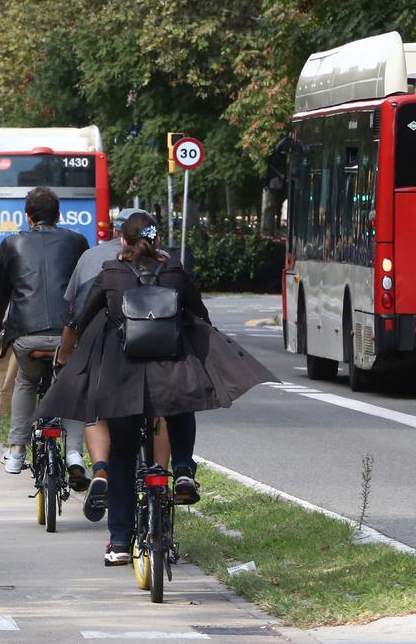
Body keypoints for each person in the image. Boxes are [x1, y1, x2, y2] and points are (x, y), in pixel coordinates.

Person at [35, 212, 276, 565]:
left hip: (122, 378)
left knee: (121, 455)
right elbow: (201, 316)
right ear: (156, 241)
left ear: (122, 241)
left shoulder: (111, 273)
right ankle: (181, 470)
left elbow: (81, 319)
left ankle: (119, 542)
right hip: (170, 368)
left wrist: (72, 352)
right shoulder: (174, 271)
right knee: (180, 405)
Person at [57, 207, 159, 521]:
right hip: (161, 361)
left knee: (98, 410)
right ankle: (172, 472)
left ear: (119, 235)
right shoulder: (170, 265)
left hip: (113, 359)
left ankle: (101, 468)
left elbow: (77, 314)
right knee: (168, 411)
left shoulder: (102, 265)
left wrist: (66, 354)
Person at [0, 186, 89, 486]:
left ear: (27, 217)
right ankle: (74, 456)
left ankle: (17, 449)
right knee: (71, 388)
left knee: (26, 381)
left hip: (26, 336)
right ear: (58, 216)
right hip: (67, 337)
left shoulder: (11, 243)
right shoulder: (78, 242)